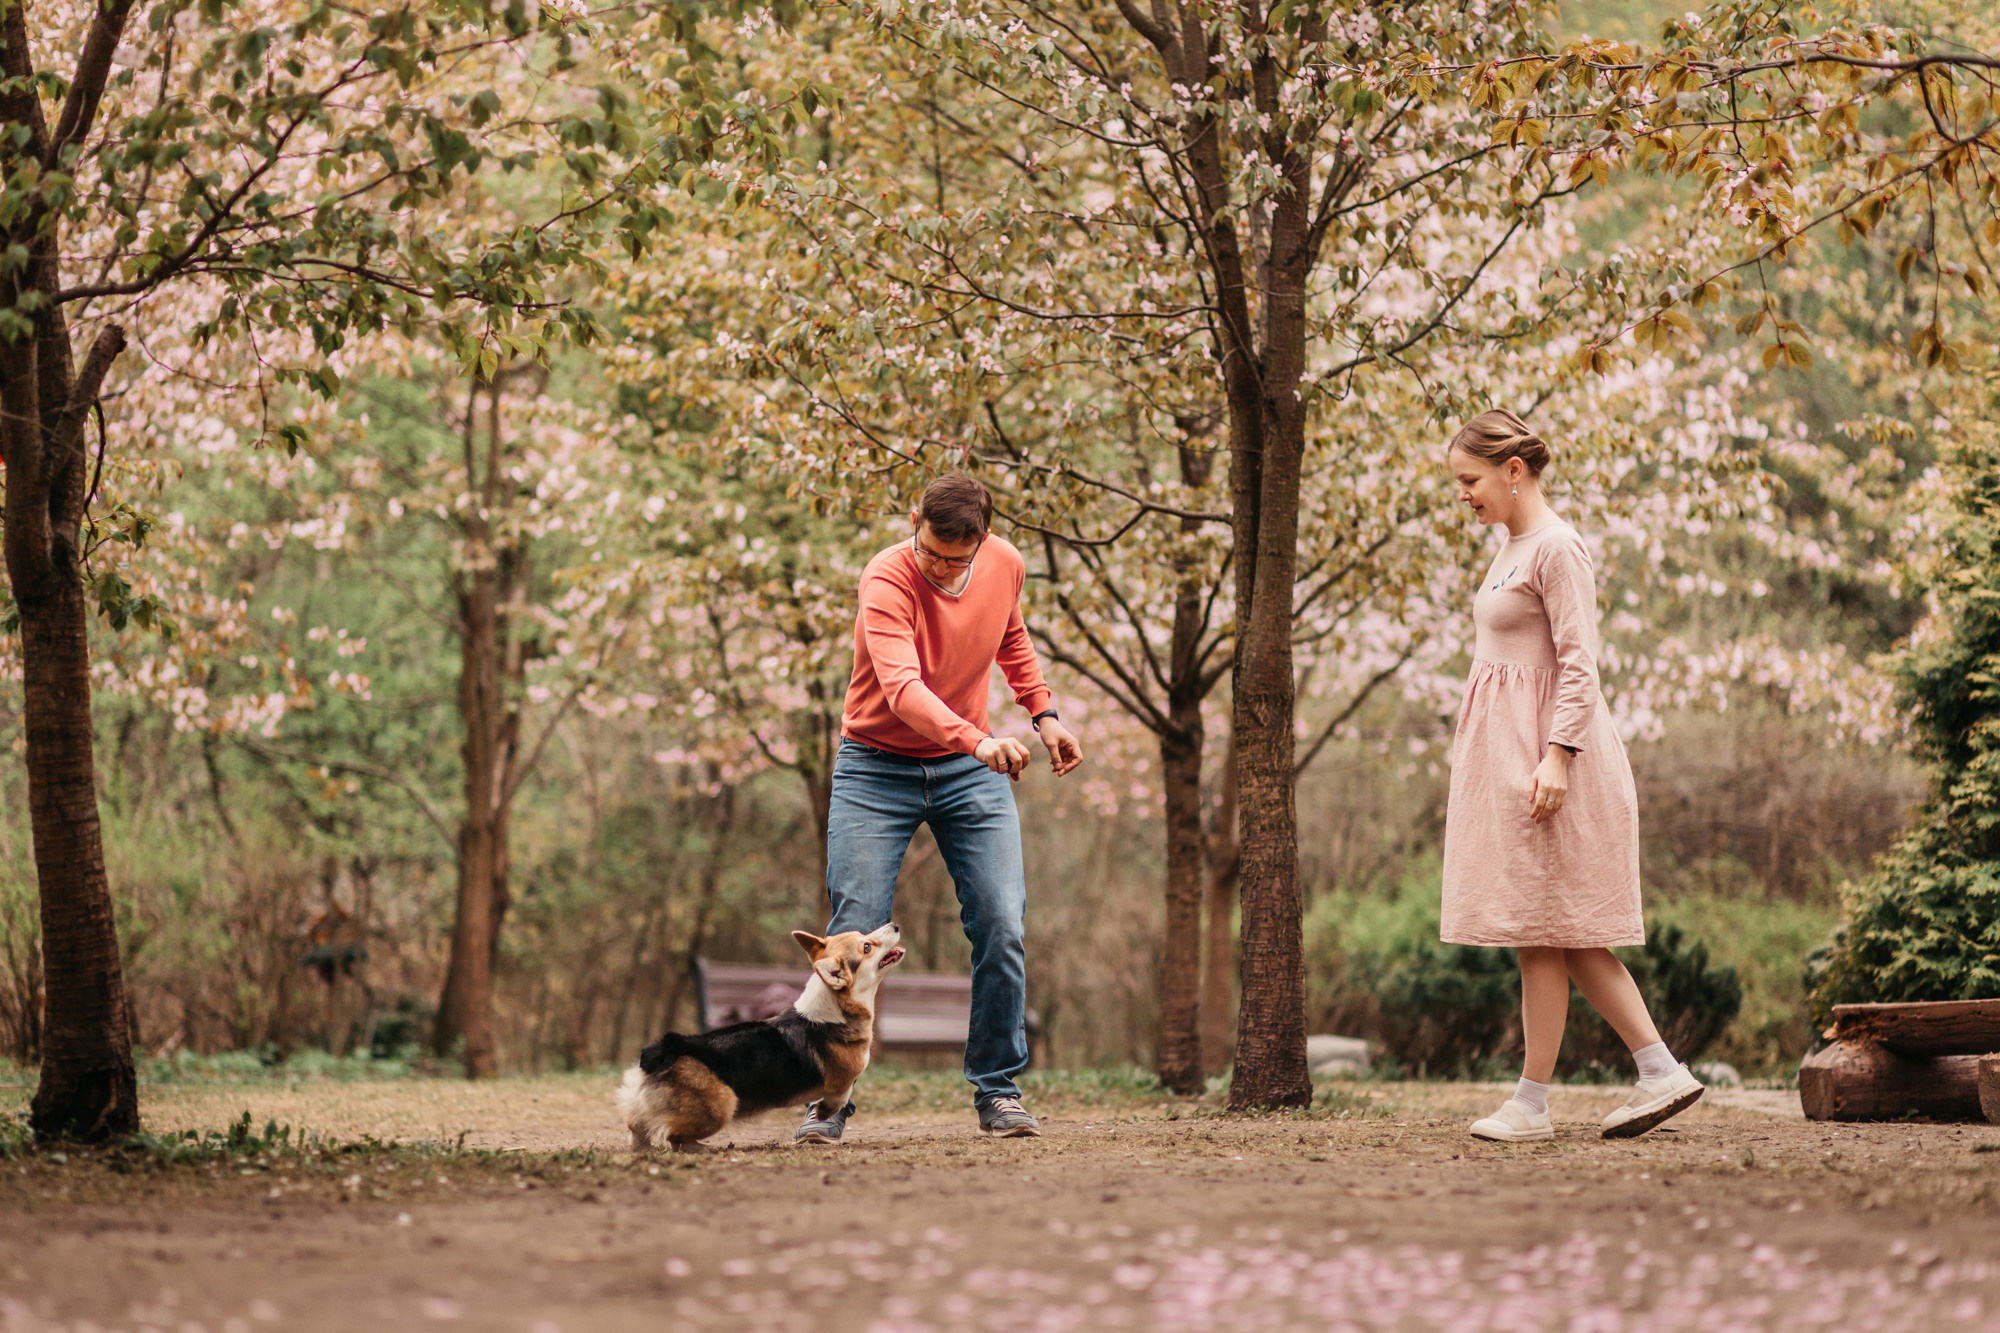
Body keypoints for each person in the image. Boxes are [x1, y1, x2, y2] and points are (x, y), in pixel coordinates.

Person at [796, 473, 1083, 1143]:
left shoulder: (1004, 563)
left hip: (967, 768)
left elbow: (1010, 637)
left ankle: (999, 1089)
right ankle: (829, 1098)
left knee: (1002, 921)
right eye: (934, 553)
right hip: (876, 764)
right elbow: (900, 689)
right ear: (915, 524)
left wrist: (1044, 715)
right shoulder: (887, 578)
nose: (946, 570)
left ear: (984, 542)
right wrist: (980, 738)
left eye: (960, 559)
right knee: (851, 935)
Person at [1440, 410, 1703, 1143]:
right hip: (1515, 762)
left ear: (1513, 470)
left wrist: (1557, 754)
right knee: (1544, 932)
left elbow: (1580, 663)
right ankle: (1605, 1082)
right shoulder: (1511, 546)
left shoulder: (1557, 548)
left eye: (1470, 480)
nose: (1463, 495)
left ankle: (1580, 1089)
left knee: (1559, 929)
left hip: (1553, 766)